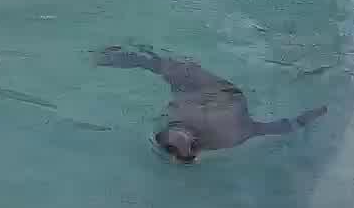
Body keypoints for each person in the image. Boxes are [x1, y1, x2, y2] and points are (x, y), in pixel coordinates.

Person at [96, 46, 325, 165]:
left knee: (163, 67)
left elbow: (279, 127)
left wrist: (310, 116)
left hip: (216, 95)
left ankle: (127, 57)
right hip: (212, 93)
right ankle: (128, 57)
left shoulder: (230, 136)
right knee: (163, 67)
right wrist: (309, 116)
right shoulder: (185, 113)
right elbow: (281, 126)